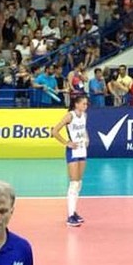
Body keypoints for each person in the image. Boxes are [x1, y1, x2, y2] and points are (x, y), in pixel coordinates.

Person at [52, 94, 89, 227]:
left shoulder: (84, 116)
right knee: (73, 183)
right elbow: (55, 131)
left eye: (86, 104)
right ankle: (70, 216)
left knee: (79, 183)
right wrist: (66, 142)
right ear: (76, 104)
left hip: (82, 149)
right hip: (73, 151)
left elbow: (83, 128)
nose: (86, 106)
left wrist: (87, 138)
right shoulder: (70, 116)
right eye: (83, 104)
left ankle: (74, 211)